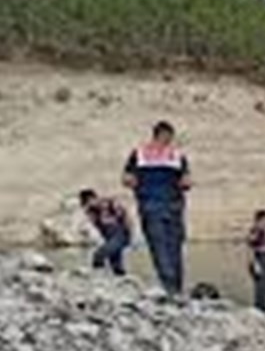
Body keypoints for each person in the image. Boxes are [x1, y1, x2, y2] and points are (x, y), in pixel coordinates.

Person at [123, 121, 191, 295]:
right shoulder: (177, 155)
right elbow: (186, 181)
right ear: (164, 135)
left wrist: (138, 185)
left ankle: (171, 288)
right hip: (171, 204)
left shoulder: (139, 154)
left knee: (160, 246)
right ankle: (175, 287)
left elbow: (127, 179)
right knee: (172, 247)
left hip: (152, 204)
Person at [78, 189, 131, 276]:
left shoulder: (109, 203)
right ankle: (119, 277)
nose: (88, 205)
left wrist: (129, 232)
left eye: (88, 202)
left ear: (92, 198)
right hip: (108, 235)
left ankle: (98, 276)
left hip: (119, 233)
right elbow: (95, 225)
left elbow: (126, 216)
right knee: (115, 260)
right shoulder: (91, 211)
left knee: (99, 255)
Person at [246, 209, 265, 312]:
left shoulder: (263, 231)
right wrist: (255, 264)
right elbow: (250, 248)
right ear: (259, 220)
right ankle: (260, 308)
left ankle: (264, 307)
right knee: (261, 286)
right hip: (259, 260)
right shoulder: (256, 231)